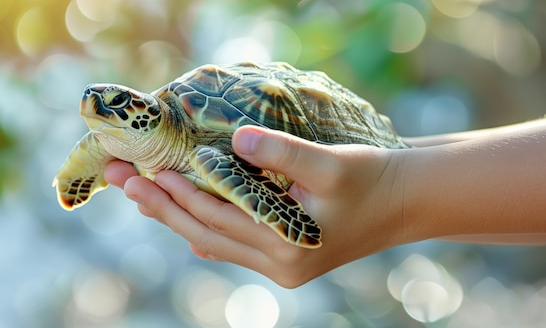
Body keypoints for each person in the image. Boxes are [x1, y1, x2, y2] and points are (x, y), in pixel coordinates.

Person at [104, 119, 546, 288]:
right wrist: (396, 173)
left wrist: (397, 197)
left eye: (119, 106)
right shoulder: (119, 140)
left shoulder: (203, 151)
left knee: (213, 163)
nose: (102, 109)